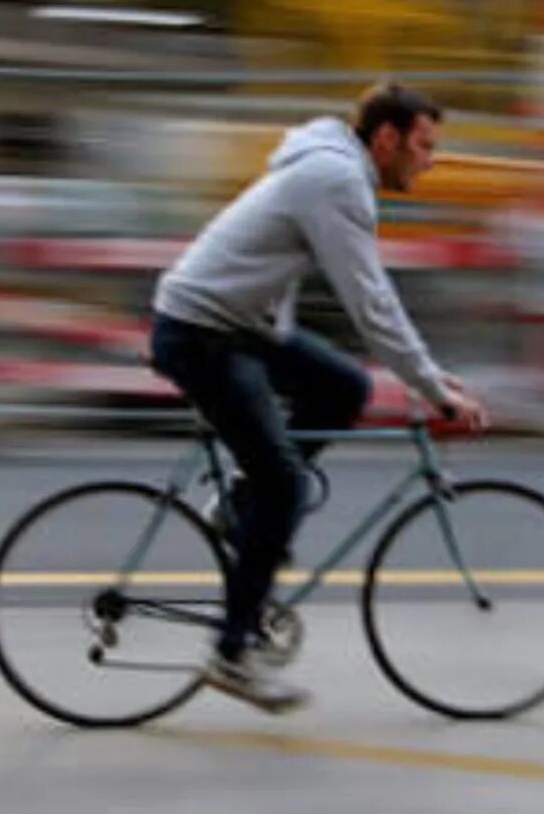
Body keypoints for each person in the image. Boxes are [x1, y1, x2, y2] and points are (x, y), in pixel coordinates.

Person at [149, 82, 490, 713]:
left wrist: (429, 375)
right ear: (385, 138)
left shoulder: (331, 170)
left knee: (346, 385)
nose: (430, 159)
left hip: (236, 328)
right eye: (424, 144)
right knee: (288, 487)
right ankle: (233, 653)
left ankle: (242, 507)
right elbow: (371, 303)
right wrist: (431, 388)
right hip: (204, 335)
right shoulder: (338, 180)